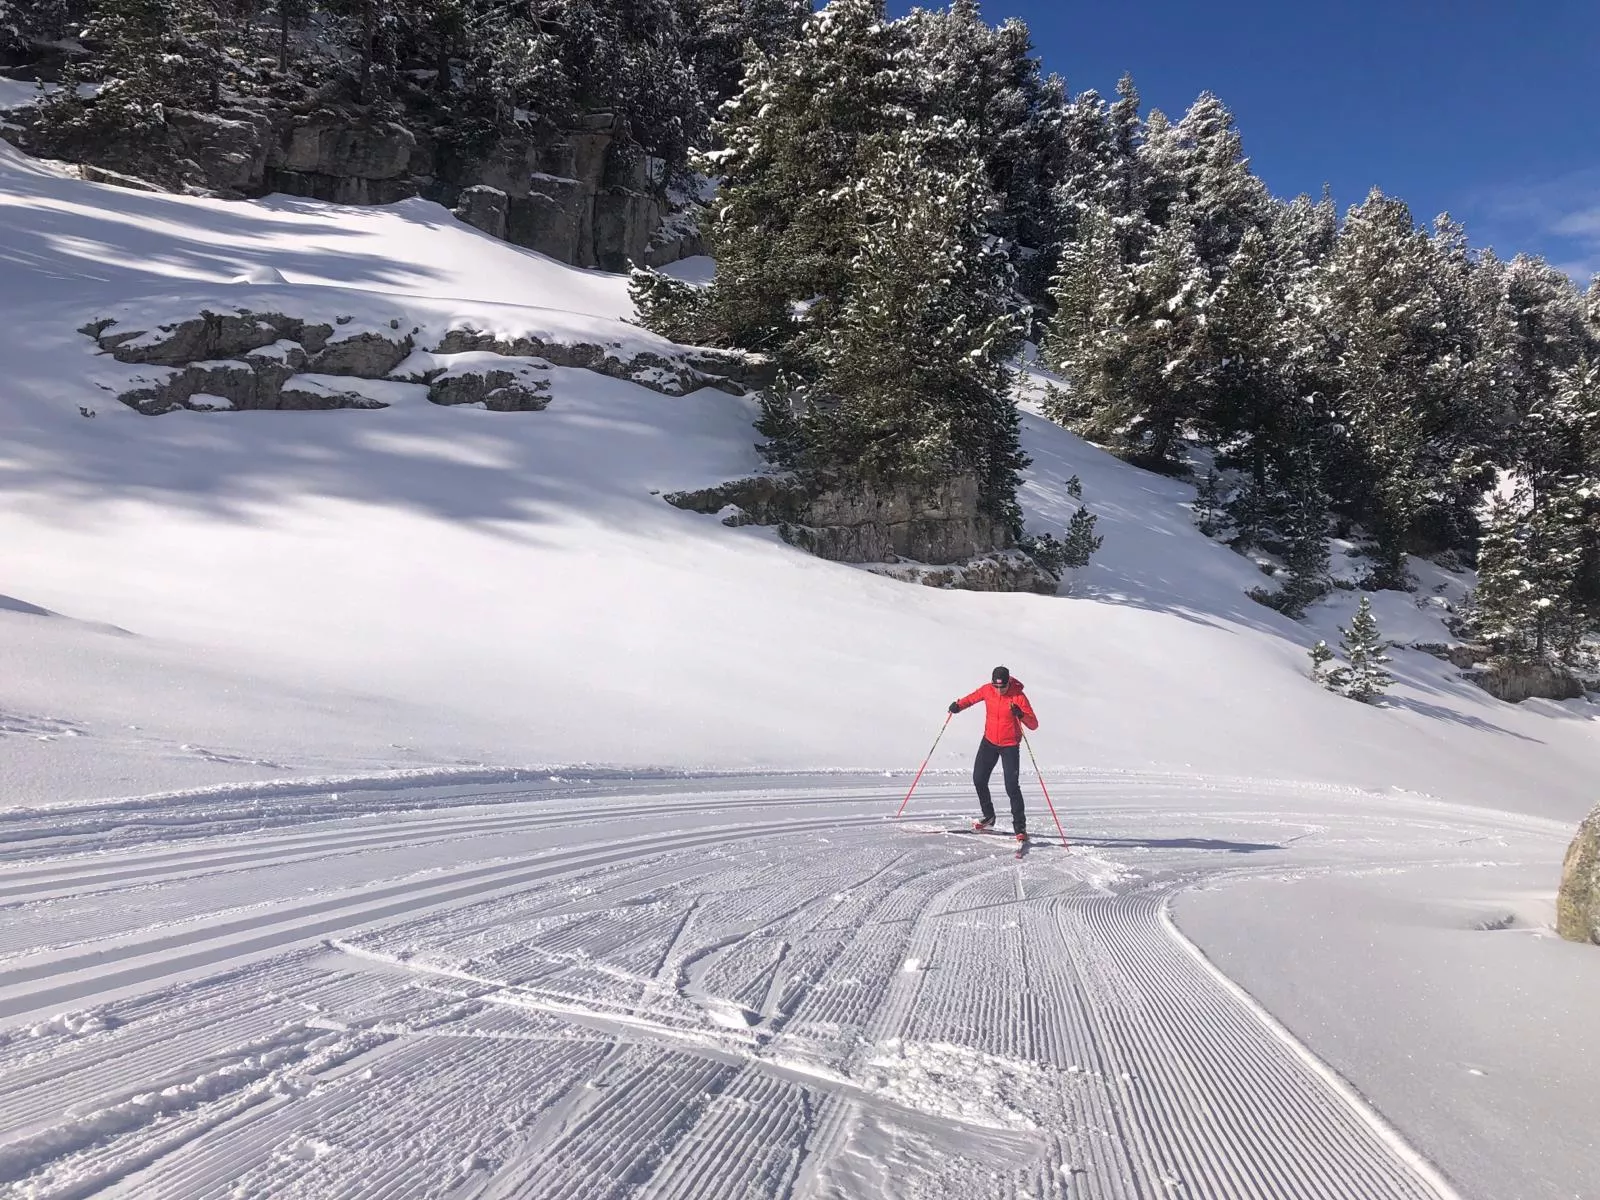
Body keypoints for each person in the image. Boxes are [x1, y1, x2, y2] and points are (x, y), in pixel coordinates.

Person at [949, 666, 1039, 841]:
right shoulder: (987, 690)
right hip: (989, 741)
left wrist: (1020, 715)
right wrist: (958, 706)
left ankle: (1020, 828)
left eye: (1002, 687)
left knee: (1011, 787)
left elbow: (1034, 724)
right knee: (979, 779)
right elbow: (971, 699)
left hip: (1010, 745)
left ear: (1008, 683)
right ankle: (989, 817)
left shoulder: (1018, 696)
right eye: (996, 687)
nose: (999, 690)